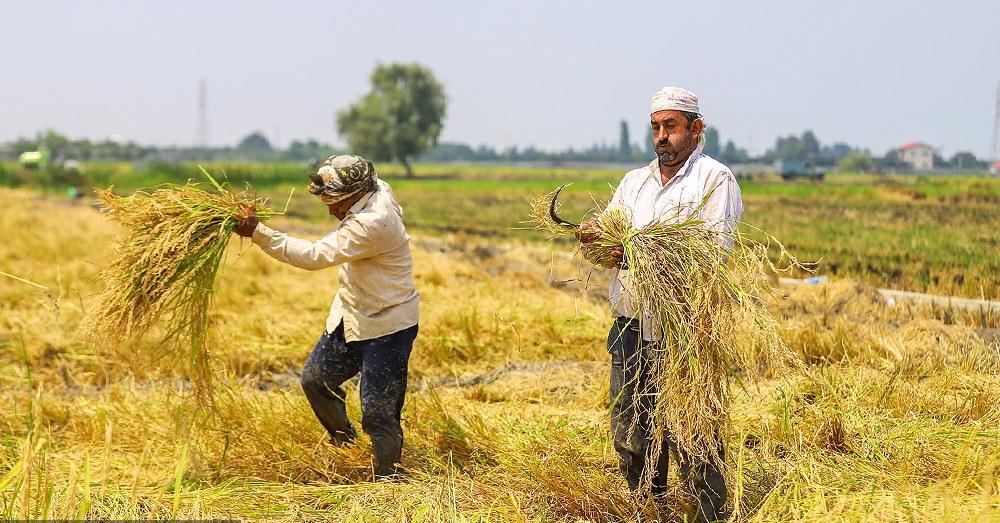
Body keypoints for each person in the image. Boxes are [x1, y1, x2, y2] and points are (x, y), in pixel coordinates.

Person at [578, 87, 743, 522]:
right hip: (631, 323)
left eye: (671, 126)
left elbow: (712, 253)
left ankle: (707, 514)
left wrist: (641, 251)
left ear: (696, 129)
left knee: (693, 431)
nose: (662, 137)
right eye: (656, 127)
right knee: (632, 428)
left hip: (686, 327)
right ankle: (647, 510)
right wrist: (596, 241)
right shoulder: (635, 182)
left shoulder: (715, 180)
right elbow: (607, 247)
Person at [235, 154, 420, 479]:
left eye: (337, 203)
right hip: (351, 314)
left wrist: (258, 232)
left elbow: (314, 256)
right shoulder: (377, 186)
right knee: (315, 382)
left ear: (359, 191)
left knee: (378, 413)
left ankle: (389, 482)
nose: (332, 211)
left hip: (388, 326)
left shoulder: (373, 223)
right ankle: (345, 443)